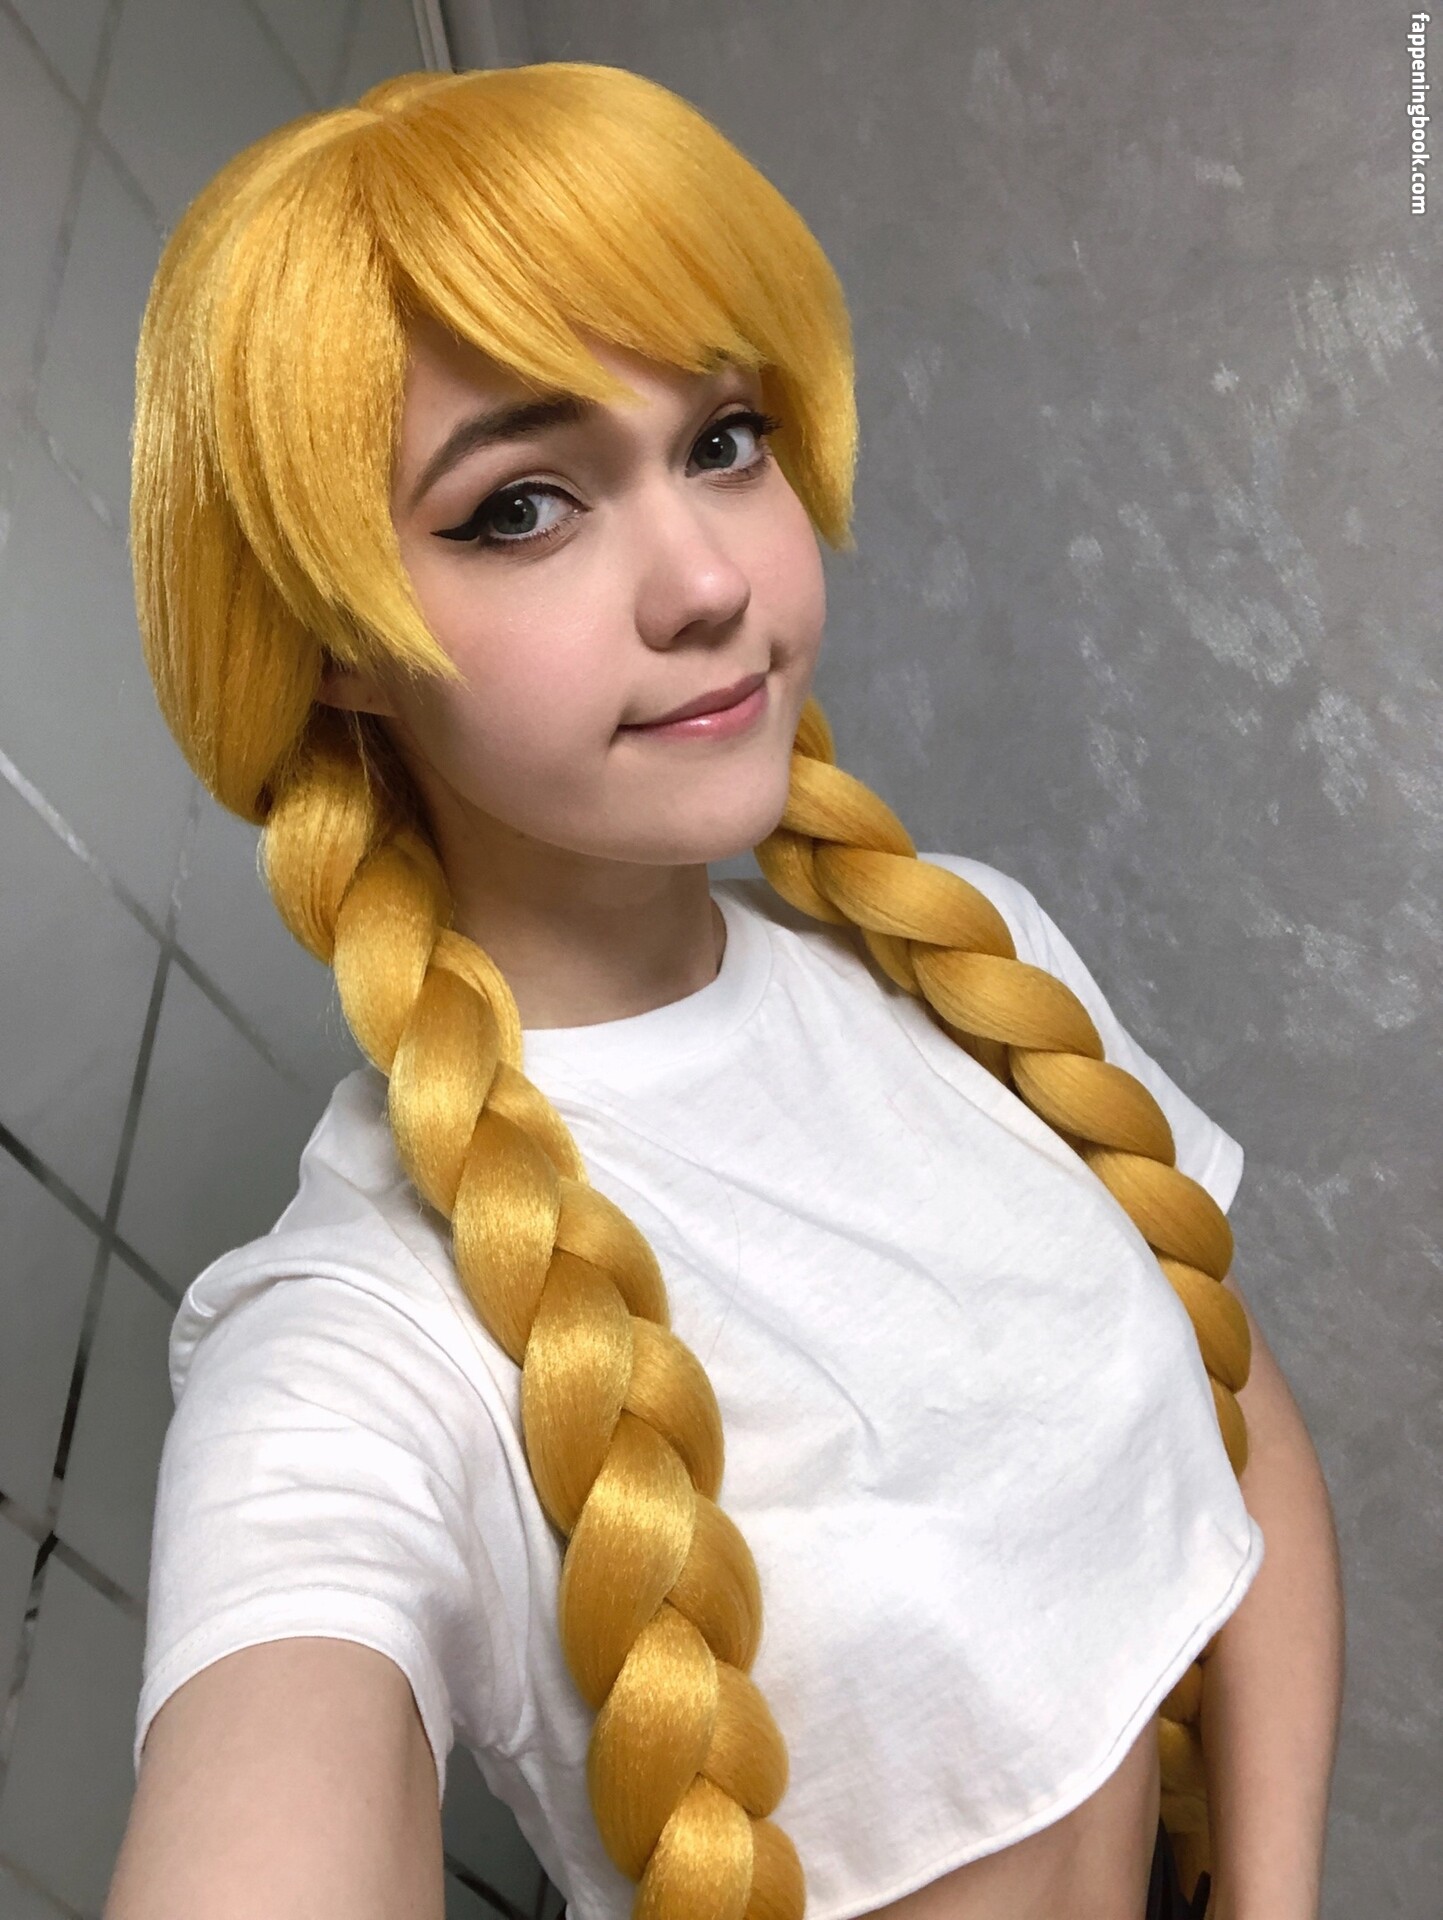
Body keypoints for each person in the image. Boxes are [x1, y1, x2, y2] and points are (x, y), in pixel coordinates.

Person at [104, 62, 1343, 1920]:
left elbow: (1234, 1439)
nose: (705, 581)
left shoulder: (973, 960)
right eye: (521, 506)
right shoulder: (363, 1343)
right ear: (332, 641)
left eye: (723, 438)